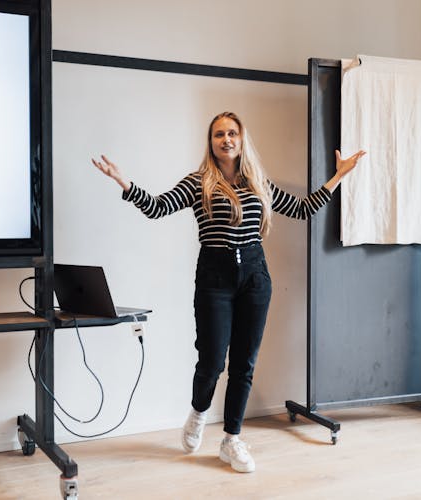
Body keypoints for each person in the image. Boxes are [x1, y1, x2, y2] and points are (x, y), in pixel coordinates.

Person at [92, 111, 365, 473]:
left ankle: (231, 440)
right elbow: (158, 208)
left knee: (244, 365)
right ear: (212, 142)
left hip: (255, 277)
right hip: (214, 279)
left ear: (241, 138)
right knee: (211, 362)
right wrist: (124, 183)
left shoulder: (258, 183)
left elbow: (302, 209)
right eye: (219, 134)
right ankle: (198, 412)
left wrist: (339, 176)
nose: (226, 139)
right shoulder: (198, 182)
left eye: (232, 133)